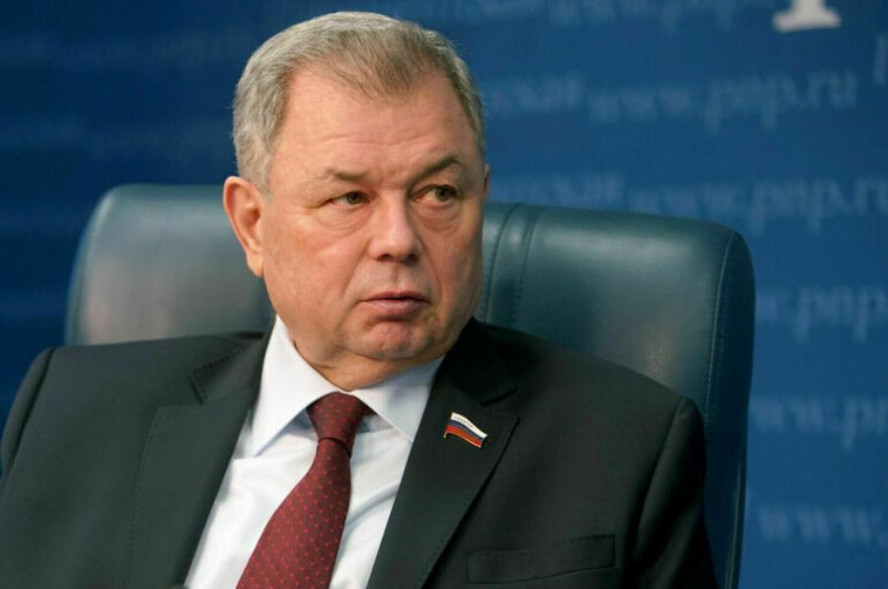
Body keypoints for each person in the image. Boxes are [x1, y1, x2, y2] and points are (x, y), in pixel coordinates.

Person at [0, 11, 717, 588]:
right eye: (350, 198)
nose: (399, 240)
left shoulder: (623, 449)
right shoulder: (70, 409)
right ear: (253, 224)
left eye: (439, 193)